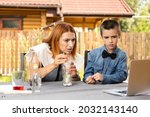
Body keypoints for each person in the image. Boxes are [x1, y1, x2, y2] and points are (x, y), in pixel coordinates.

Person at [83, 19, 128, 84]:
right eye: (106, 37)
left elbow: (122, 75)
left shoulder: (122, 55)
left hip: (113, 89)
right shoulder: (93, 54)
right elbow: (87, 73)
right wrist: (88, 78)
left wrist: (104, 77)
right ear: (102, 37)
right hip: (95, 89)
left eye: (114, 37)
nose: (110, 41)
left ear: (119, 35)